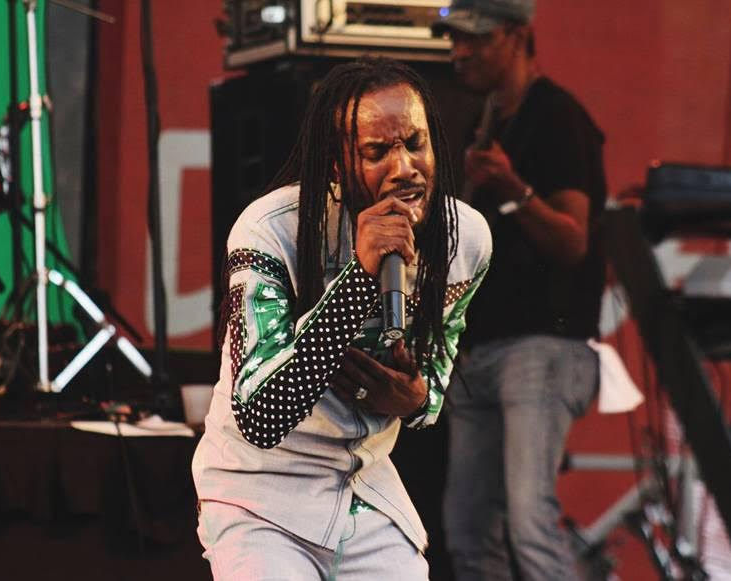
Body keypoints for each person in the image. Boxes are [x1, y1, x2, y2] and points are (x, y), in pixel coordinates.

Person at [192, 57, 492, 580]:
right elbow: (262, 416)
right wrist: (360, 277)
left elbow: (432, 392)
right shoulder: (269, 231)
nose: (404, 168)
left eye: (415, 143)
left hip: (361, 486)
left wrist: (414, 399)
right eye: (377, 152)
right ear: (335, 165)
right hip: (259, 491)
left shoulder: (464, 239)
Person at [433, 1, 607, 579]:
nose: (459, 52)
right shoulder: (484, 120)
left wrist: (511, 187)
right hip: (479, 350)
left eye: (474, 39)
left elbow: (573, 240)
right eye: (454, 39)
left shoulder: (557, 116)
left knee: (530, 522)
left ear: (516, 36)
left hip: (541, 347)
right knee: (467, 530)